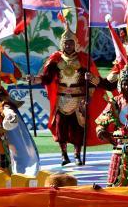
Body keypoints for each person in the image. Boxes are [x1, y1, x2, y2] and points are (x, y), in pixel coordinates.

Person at [36, 29, 93, 166]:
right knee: (61, 127)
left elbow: (91, 81)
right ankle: (64, 155)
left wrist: (88, 95)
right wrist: (35, 79)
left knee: (78, 128)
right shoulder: (56, 60)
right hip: (61, 99)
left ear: (75, 44)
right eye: (66, 43)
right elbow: (47, 78)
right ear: (62, 44)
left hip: (78, 99)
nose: (68, 46)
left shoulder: (83, 60)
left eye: (71, 43)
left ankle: (77, 155)